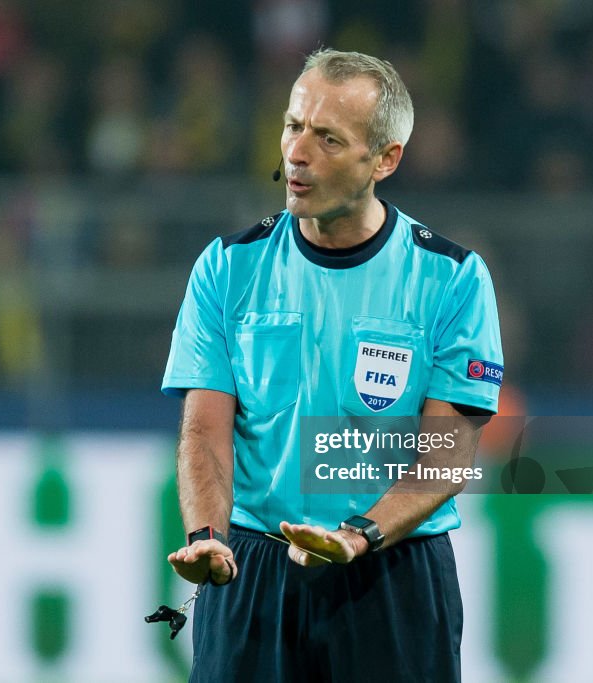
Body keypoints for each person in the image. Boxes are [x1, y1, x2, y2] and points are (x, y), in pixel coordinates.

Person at [161, 48, 503, 681]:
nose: (297, 153)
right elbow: (204, 429)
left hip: (391, 572)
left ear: (386, 158)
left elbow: (447, 455)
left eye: (328, 138)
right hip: (252, 569)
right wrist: (206, 531)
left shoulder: (451, 278)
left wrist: (359, 534)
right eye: (293, 125)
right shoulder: (226, 267)